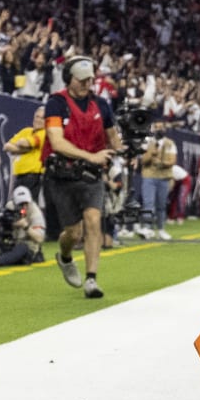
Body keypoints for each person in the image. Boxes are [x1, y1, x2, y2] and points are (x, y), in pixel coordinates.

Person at [42, 55, 121, 298]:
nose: (87, 84)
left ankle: (91, 279)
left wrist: (122, 147)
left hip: (91, 175)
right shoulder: (56, 103)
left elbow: (113, 139)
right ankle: (65, 257)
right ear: (69, 79)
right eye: (82, 80)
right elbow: (56, 141)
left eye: (90, 80)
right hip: (62, 174)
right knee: (72, 233)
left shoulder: (102, 105)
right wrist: (90, 156)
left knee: (93, 220)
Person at [138, 124, 178, 241]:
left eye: (161, 127)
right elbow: (143, 161)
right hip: (149, 176)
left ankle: (161, 229)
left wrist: (160, 162)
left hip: (164, 177)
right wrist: (151, 153)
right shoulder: (147, 143)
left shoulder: (170, 143)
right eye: (157, 127)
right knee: (148, 203)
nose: (159, 129)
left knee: (161, 205)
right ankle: (147, 228)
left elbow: (172, 161)